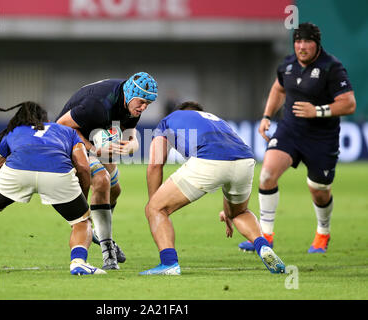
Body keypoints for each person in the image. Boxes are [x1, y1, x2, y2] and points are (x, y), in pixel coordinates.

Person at [0, 101, 105, 275]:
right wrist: (82, 195)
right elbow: (83, 166)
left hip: (15, 172)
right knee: (81, 222)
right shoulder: (68, 131)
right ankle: (78, 262)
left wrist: (5, 187)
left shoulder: (14, 131)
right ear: (47, 119)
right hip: (58, 174)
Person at [238, 22, 356, 253]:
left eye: (307, 41)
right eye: (298, 41)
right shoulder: (288, 65)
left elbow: (349, 103)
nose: (301, 46)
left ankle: (323, 233)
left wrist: (318, 111)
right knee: (267, 175)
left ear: (316, 44)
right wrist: (266, 116)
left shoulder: (332, 67)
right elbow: (278, 89)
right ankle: (265, 236)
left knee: (319, 191)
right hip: (290, 131)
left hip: (322, 138)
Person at [140, 101, 285, 275]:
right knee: (239, 212)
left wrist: (154, 206)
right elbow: (227, 166)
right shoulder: (217, 121)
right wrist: (229, 211)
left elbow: (155, 164)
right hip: (245, 160)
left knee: (155, 208)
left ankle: (169, 263)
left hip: (209, 159)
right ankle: (263, 246)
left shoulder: (169, 119)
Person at [56, 72, 158, 270]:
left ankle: (98, 231)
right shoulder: (98, 104)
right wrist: (94, 150)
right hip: (69, 141)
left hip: (94, 140)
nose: (144, 107)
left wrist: (132, 145)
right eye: (142, 102)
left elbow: (130, 135)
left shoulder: (132, 103)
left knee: (115, 189)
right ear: (130, 94)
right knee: (101, 180)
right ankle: (107, 249)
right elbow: (61, 126)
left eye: (149, 104)